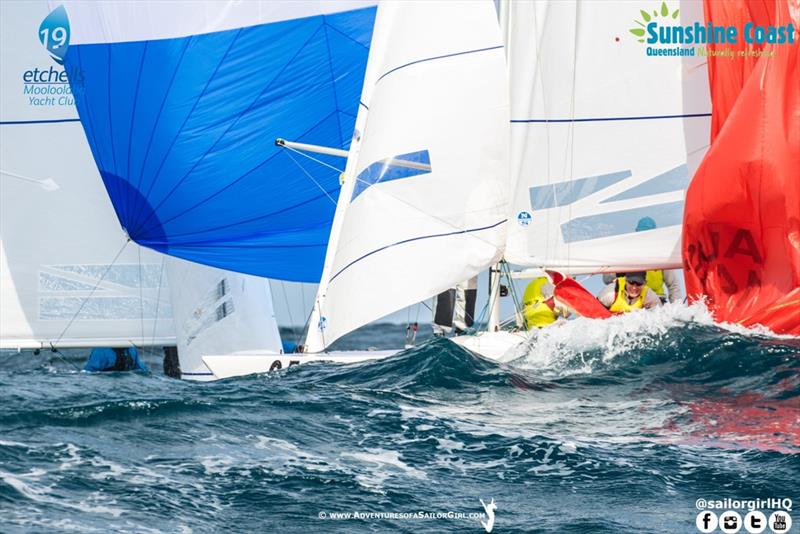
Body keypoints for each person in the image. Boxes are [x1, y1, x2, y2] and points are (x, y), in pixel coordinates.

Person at [601, 217, 683, 303]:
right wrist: (618, 274)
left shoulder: (662, 256)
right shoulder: (627, 253)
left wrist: (676, 307)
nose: (645, 238)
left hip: (656, 300)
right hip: (630, 299)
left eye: (649, 235)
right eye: (642, 234)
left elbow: (673, 285)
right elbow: (607, 279)